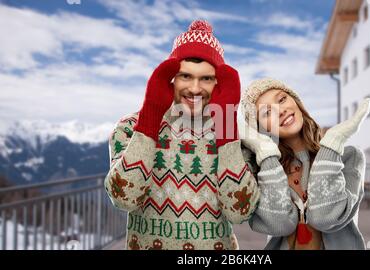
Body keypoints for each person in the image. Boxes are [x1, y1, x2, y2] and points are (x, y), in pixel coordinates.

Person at [104, 20, 260, 250]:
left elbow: (240, 212)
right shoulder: (128, 128)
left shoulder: (236, 135)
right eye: (185, 76)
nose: (195, 88)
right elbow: (124, 198)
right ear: (171, 78)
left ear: (218, 82)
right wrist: (150, 117)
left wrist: (226, 125)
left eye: (206, 78)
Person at [239, 78, 369, 250]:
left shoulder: (348, 157)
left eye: (282, 99)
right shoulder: (262, 170)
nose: (281, 110)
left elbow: (326, 218)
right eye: (267, 112)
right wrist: (265, 152)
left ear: (297, 102)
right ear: (259, 129)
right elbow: (279, 225)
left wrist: (333, 141)